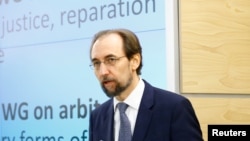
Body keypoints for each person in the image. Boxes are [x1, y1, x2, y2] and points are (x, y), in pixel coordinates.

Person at [88, 28, 204, 141]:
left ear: (134, 61)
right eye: (96, 63)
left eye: (111, 59)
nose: (103, 71)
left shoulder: (174, 108)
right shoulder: (97, 117)